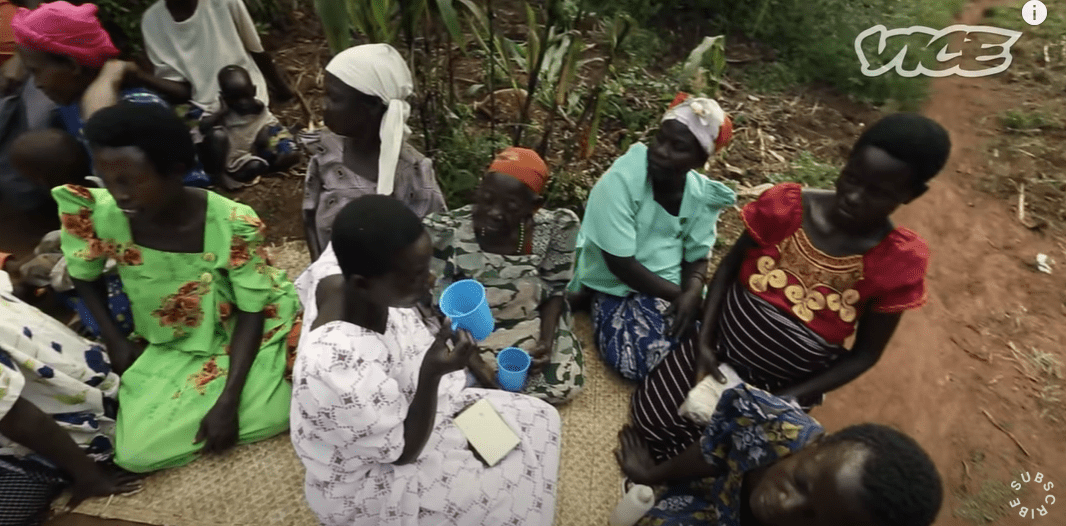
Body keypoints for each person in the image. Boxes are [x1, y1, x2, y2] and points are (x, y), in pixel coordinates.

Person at [630, 113, 950, 462]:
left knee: (724, 458)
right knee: (651, 419)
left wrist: (783, 400)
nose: (854, 197)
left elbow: (865, 354)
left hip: (784, 388)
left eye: (877, 192)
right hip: (718, 350)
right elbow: (727, 271)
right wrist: (705, 343)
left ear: (912, 194)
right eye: (852, 179)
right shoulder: (787, 207)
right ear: (846, 162)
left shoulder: (895, 261)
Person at [54, 103, 301, 473]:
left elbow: (253, 310)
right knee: (136, 454)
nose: (119, 195)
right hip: (171, 340)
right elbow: (84, 277)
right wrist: (116, 341)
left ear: (177, 171)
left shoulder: (231, 224)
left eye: (131, 181)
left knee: (281, 410)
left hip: (244, 328)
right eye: (107, 179)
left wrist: (228, 402)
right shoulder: (97, 214)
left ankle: (233, 394)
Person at [290, 195, 561, 526]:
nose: (430, 281)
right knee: (520, 507)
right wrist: (432, 373)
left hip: (420, 407)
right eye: (416, 275)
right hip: (375, 475)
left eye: (427, 266)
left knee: (542, 420)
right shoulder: (335, 369)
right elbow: (403, 453)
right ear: (363, 284)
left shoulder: (343, 264)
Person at [567, 95, 736, 381]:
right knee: (640, 357)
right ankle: (592, 297)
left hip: (670, 282)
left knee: (726, 340)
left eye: (677, 147)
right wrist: (683, 298)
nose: (660, 151)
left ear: (700, 159)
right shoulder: (622, 180)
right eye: (660, 140)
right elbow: (621, 264)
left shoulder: (700, 196)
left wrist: (693, 291)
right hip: (615, 282)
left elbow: (697, 258)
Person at [615, 384, 943, 526]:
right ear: (815, 444)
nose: (785, 508)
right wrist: (651, 475)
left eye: (813, 521)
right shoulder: (768, 420)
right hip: (715, 508)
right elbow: (712, 452)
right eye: (799, 482)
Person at [0, 259, 142, 525]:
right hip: (88, 371)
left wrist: (89, 477)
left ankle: (79, 471)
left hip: (76, 427)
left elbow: (18, 417)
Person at [11, 0, 211, 187]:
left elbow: (101, 124)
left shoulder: (139, 107)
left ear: (72, 66)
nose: (36, 84)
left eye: (36, 72)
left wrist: (111, 75)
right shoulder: (70, 105)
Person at [302, 43, 445, 261]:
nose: (324, 105)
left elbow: (433, 240)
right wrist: (318, 272)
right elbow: (309, 216)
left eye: (334, 98)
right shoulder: (325, 152)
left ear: (372, 106)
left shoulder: (414, 173)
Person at [138, 0, 293, 111]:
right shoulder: (152, 20)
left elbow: (256, 51)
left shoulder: (224, 3)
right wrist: (138, 76)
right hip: (200, 109)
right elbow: (182, 91)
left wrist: (283, 90)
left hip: (246, 97)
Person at [198, 65, 298, 189]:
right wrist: (221, 113)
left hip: (245, 157)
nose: (243, 102)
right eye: (235, 98)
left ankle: (269, 162)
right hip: (224, 156)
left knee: (258, 163)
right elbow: (202, 128)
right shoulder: (219, 109)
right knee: (218, 135)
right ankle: (219, 177)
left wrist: (287, 141)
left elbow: (274, 126)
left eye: (246, 96)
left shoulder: (258, 109)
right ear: (224, 97)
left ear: (254, 91)